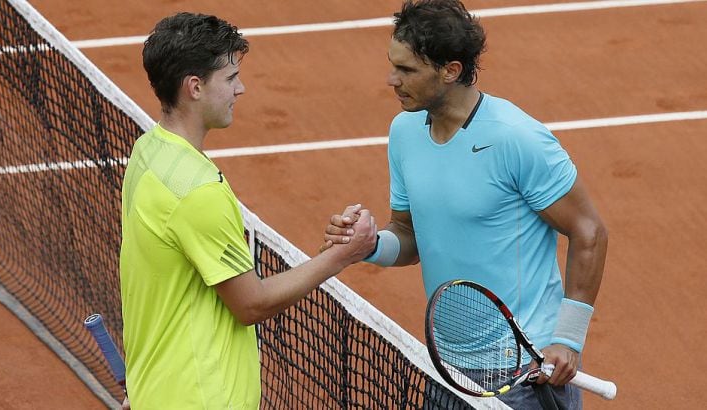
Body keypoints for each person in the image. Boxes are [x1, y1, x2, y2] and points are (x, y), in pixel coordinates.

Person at [321, 0, 608, 408]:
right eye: (393, 65)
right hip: (446, 365)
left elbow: (589, 231)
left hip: (523, 373)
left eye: (406, 70)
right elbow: (408, 235)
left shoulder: (516, 138)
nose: (391, 80)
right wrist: (367, 245)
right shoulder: (404, 131)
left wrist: (568, 338)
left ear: (450, 70)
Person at [119, 12, 377, 409]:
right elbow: (251, 303)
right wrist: (343, 255)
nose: (240, 89)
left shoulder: (147, 153)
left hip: (159, 391)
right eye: (229, 78)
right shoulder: (197, 191)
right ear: (195, 87)